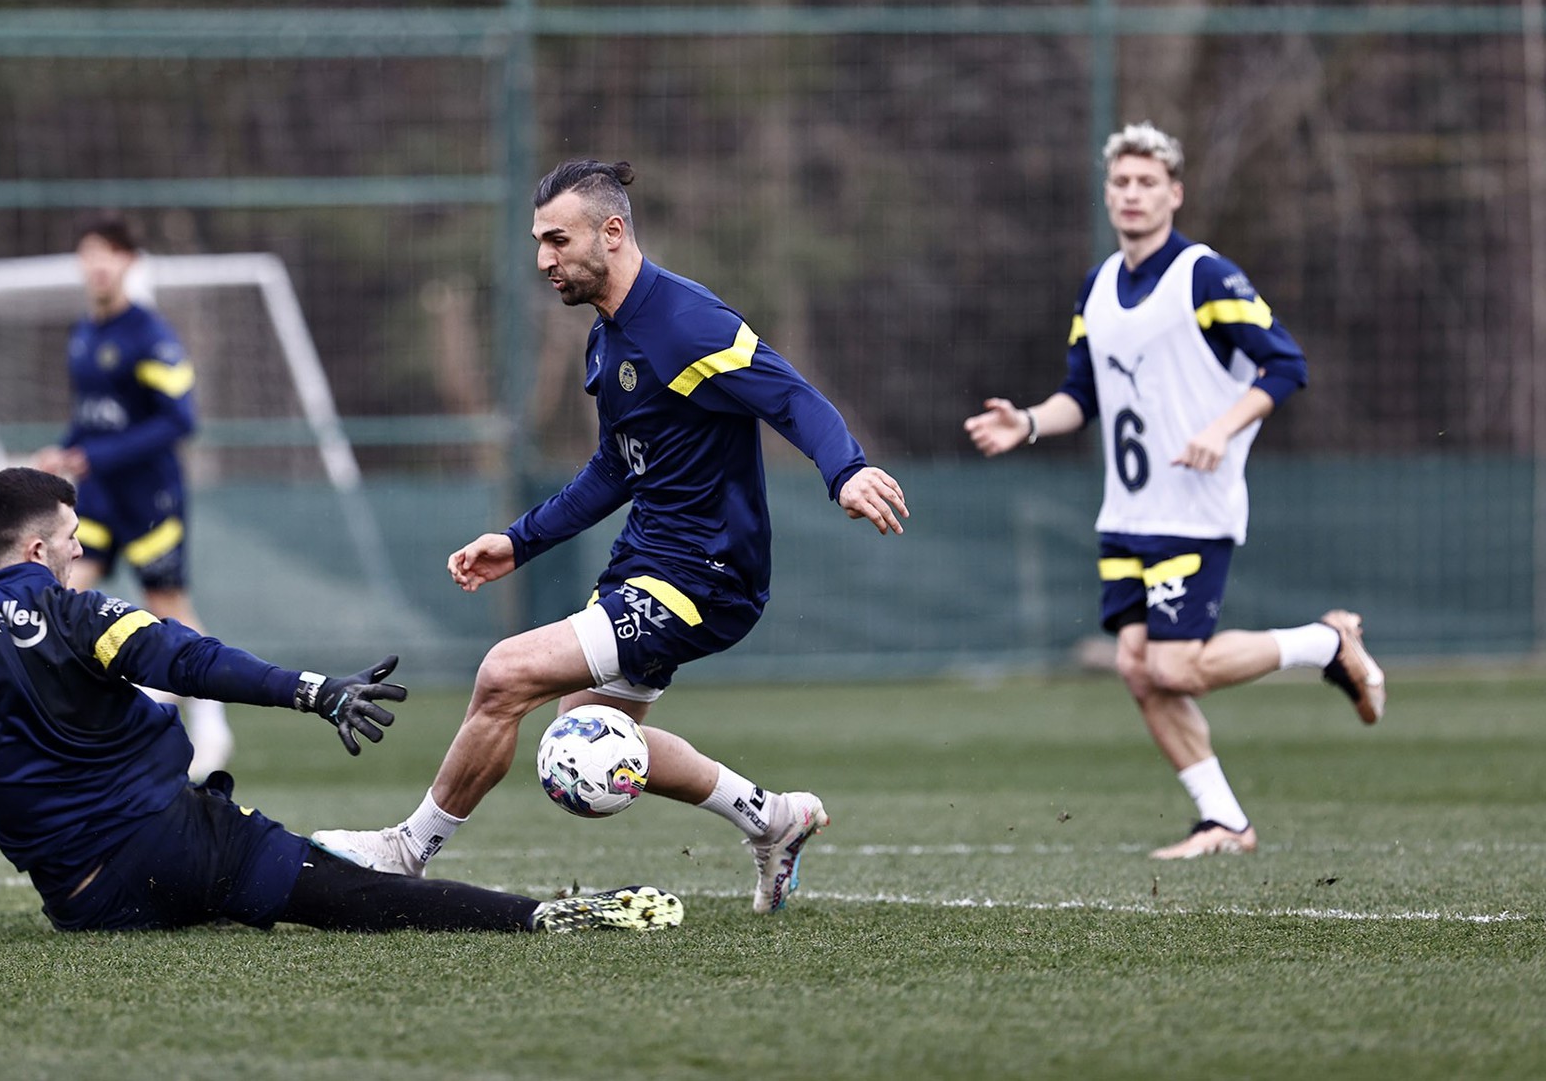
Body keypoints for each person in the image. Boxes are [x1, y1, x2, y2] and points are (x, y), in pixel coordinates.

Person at [0, 467, 683, 936]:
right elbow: (194, 656)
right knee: (348, 895)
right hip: (172, 849)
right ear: (37, 545)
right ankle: (545, 914)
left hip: (80, 899)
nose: (77, 551)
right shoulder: (84, 614)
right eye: (68, 538)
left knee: (287, 874)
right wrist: (315, 690)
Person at [313, 159, 909, 914]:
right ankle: (773, 818)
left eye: (556, 240)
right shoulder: (607, 340)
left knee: (504, 673)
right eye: (539, 242)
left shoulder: (688, 323)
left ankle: (407, 850)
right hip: (648, 563)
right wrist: (518, 541)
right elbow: (613, 468)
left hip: (705, 575)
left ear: (612, 232)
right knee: (590, 732)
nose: (542, 260)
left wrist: (845, 470)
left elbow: (792, 397)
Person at [962, 121, 1386, 860]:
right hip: (1126, 512)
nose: (1131, 194)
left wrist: (1221, 428)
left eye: (1146, 182)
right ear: (1107, 193)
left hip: (1191, 506)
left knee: (1173, 665)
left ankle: (1325, 642)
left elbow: (1284, 366)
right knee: (1136, 668)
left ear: (1174, 192)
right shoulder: (1096, 287)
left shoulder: (1205, 276)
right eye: (1120, 182)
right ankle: (1223, 819)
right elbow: (1080, 396)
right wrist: (1027, 421)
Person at [33, 214, 233, 778]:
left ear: (129, 263)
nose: (97, 264)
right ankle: (67, 725)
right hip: (96, 499)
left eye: (110, 254)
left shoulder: (151, 336)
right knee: (59, 595)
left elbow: (179, 421)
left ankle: (211, 724)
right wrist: (64, 450)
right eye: (89, 252)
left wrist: (96, 455)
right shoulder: (83, 335)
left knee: (167, 606)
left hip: (150, 499)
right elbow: (91, 419)